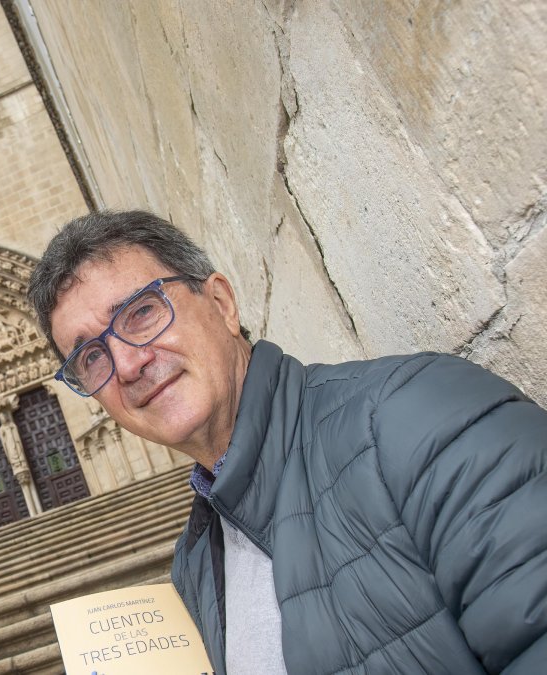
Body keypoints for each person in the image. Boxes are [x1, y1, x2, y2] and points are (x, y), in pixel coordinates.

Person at [28, 210, 546, 674]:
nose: (127, 364)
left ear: (222, 303)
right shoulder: (195, 566)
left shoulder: (413, 417)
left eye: (141, 312)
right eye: (91, 357)